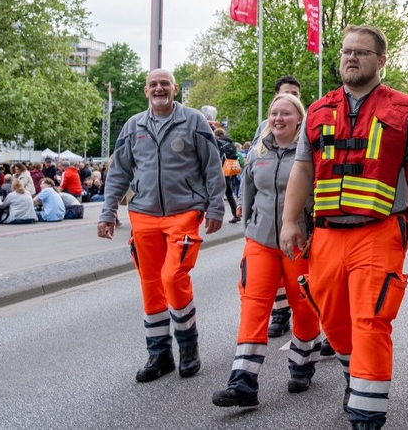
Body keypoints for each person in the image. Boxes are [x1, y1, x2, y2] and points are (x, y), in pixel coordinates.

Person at [277, 25, 408, 430]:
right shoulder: (317, 110)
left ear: (382, 61)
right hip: (328, 233)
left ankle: (368, 413)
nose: (351, 58)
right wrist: (288, 221)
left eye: (361, 53)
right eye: (347, 52)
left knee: (371, 319)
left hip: (380, 230)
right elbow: (302, 170)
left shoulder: (405, 109)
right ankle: (357, 375)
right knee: (333, 321)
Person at [99, 68, 228, 383]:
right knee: (151, 284)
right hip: (143, 214)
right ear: (146, 91)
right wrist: (108, 211)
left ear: (174, 89)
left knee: (173, 276)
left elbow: (212, 165)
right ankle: (159, 354)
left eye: (165, 84)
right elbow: (119, 172)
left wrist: (216, 205)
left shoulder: (194, 121)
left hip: (184, 211)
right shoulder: (133, 126)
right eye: (153, 84)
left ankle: (188, 347)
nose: (159, 88)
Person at [212, 94, 322, 408]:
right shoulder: (258, 152)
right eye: (274, 113)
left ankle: (302, 364)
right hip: (260, 242)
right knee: (253, 306)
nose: (277, 119)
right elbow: (247, 190)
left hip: (298, 245)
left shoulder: (310, 154)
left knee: (304, 307)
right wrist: (249, 227)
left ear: (299, 119)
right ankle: (243, 382)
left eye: (285, 113)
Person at [248, 76, 303, 342]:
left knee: (305, 296)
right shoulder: (263, 137)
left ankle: (306, 355)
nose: (279, 118)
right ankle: (244, 374)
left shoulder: (308, 141)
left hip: (299, 236)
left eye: (294, 95)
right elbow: (250, 182)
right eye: (274, 112)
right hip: (263, 231)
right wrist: (249, 219)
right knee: (254, 297)